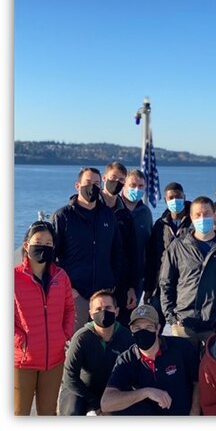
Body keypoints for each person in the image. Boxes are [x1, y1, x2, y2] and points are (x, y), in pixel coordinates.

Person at [160, 196, 216, 353]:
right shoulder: (178, 246)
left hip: (215, 324)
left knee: (214, 371)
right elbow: (166, 283)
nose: (202, 218)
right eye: (197, 214)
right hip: (184, 323)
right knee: (186, 372)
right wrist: (171, 317)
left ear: (214, 214)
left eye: (206, 213)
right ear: (191, 217)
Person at [51, 167, 124, 331]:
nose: (93, 187)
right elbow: (52, 257)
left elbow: (117, 251)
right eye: (88, 183)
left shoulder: (108, 215)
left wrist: (113, 281)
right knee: (74, 341)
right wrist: (69, 288)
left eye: (97, 183)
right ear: (78, 186)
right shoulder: (62, 216)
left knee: (102, 342)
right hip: (76, 293)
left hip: (103, 294)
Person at [14, 220, 75, 415]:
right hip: (23, 360)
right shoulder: (13, 277)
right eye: (39, 241)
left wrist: (64, 334)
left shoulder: (61, 276)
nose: (43, 247)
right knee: (20, 413)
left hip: (54, 359)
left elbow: (69, 308)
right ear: (27, 245)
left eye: (49, 244)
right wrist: (20, 341)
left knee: (48, 413)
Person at [100, 304, 200, 415]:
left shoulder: (181, 348)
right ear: (131, 329)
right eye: (137, 328)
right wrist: (146, 392)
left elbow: (198, 382)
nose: (143, 332)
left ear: (158, 329)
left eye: (148, 327)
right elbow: (106, 404)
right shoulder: (126, 359)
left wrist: (195, 412)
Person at [58, 289, 134, 415]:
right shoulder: (81, 338)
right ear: (91, 314)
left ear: (117, 311)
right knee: (72, 412)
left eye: (108, 307)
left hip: (113, 390)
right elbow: (70, 376)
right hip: (81, 390)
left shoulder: (126, 338)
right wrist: (95, 403)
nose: (103, 312)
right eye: (98, 309)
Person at [143, 182, 192, 331]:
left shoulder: (194, 222)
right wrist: (148, 289)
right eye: (171, 198)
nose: (175, 201)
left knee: (184, 329)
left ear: (184, 197)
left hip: (186, 286)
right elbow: (152, 258)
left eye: (178, 197)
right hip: (162, 286)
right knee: (154, 326)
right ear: (165, 200)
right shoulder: (160, 225)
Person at [101, 161, 138, 326]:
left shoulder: (126, 215)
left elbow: (132, 253)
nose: (116, 182)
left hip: (120, 284)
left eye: (121, 180)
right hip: (94, 284)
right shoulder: (92, 210)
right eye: (113, 177)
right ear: (104, 178)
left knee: (120, 331)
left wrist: (132, 286)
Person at [120, 169, 153, 304]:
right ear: (124, 185)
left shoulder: (145, 213)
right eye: (132, 185)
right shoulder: (113, 209)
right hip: (114, 277)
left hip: (137, 279)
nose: (136, 189)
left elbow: (149, 246)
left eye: (140, 186)